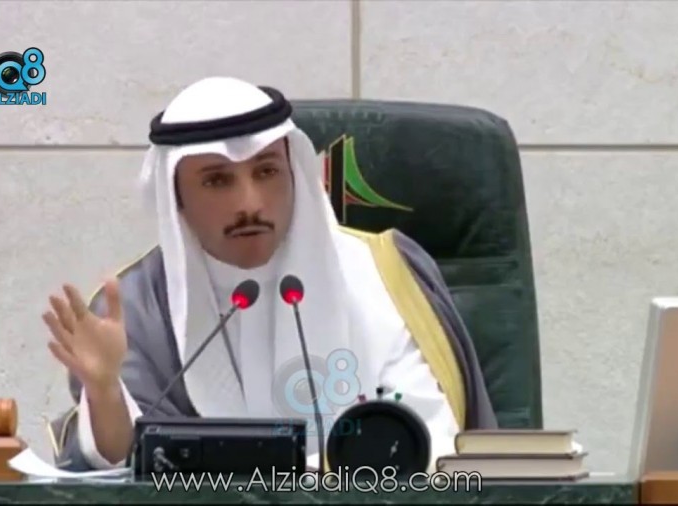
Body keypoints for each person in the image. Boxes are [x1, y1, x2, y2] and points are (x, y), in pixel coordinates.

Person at [44, 77, 497, 472]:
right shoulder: (137, 307)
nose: (251, 203)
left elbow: (435, 447)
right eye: (217, 181)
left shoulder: (384, 276)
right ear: (176, 197)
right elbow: (122, 471)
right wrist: (104, 391)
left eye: (266, 172)